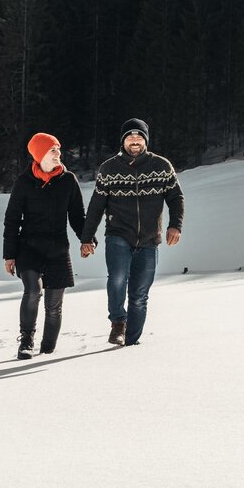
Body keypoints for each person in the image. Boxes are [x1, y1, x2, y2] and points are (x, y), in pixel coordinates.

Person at [80, 118, 184, 346]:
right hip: (118, 234)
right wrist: (87, 237)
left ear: (145, 140)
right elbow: (96, 205)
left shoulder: (161, 166)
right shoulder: (109, 169)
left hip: (149, 239)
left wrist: (175, 225)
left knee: (139, 295)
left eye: (139, 137)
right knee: (117, 279)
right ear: (123, 141)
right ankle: (118, 323)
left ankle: (131, 341)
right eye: (130, 137)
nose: (134, 141)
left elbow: (175, 197)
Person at [3, 132, 89, 359]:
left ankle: (48, 348)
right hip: (28, 248)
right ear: (40, 154)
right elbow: (12, 219)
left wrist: (87, 239)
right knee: (33, 290)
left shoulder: (68, 181)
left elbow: (78, 216)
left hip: (58, 249)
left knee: (54, 305)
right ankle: (26, 341)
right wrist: (9, 255)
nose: (58, 154)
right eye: (53, 150)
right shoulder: (24, 182)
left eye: (59, 150)